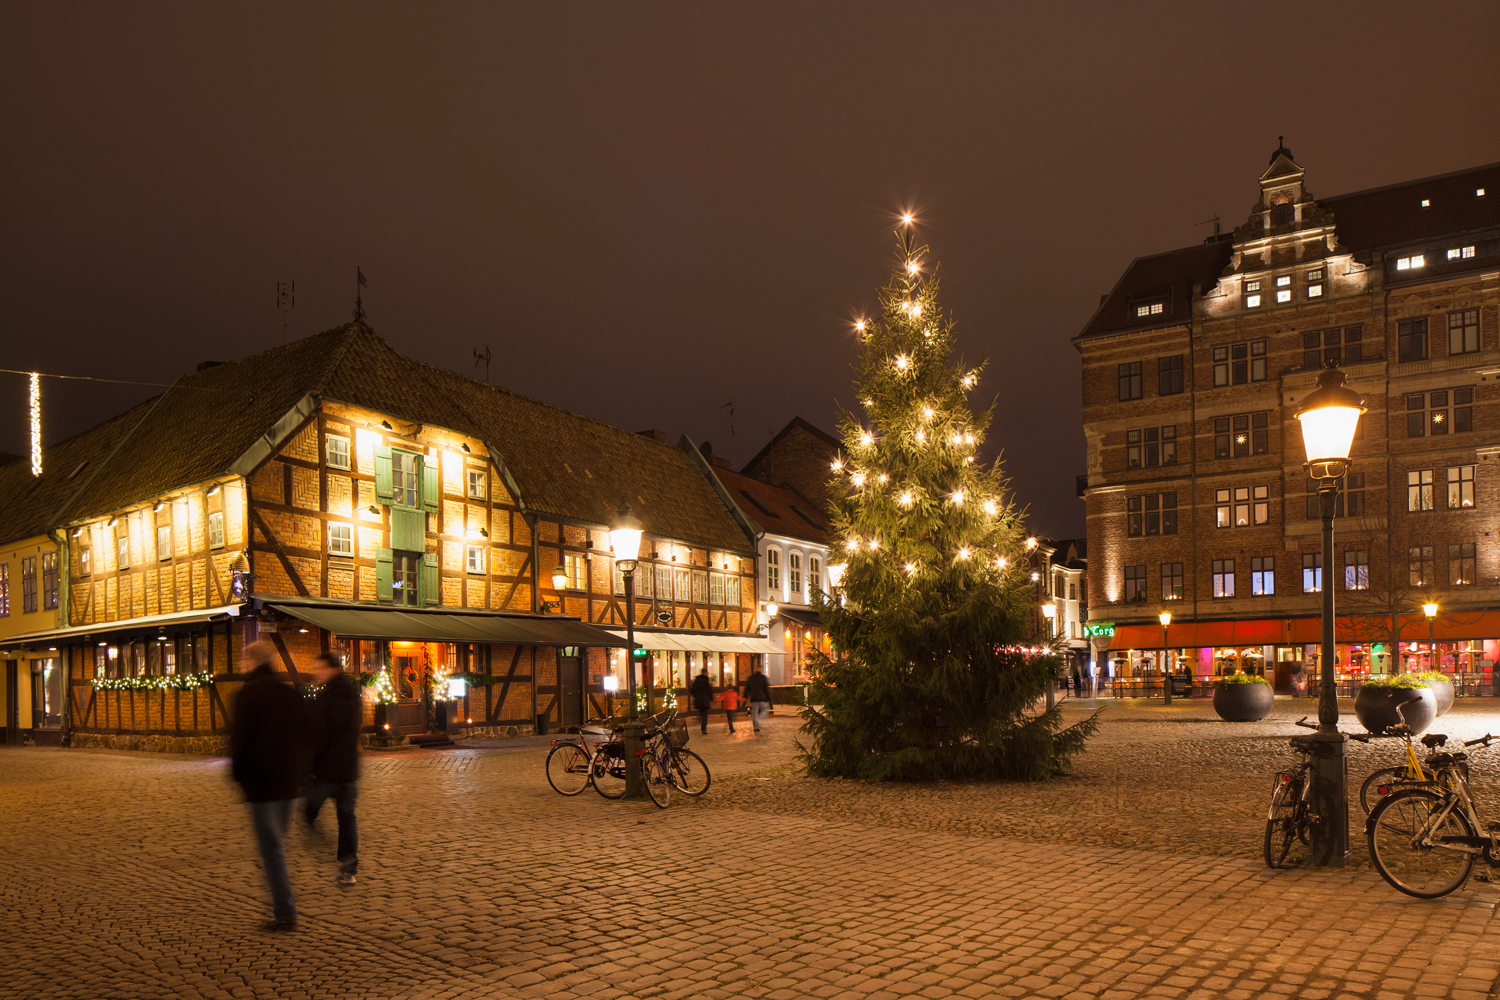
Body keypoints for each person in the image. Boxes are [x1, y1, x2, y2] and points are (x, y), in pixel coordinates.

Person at [230, 640, 308, 932]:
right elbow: (305, 736)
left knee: (272, 848)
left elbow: (239, 741)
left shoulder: (247, 695)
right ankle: (284, 909)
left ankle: (285, 913)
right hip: (288, 783)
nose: (241, 666)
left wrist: (240, 777)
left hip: (261, 785)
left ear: (251, 662)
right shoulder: (290, 693)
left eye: (243, 661)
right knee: (276, 844)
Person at [304, 651, 361, 887]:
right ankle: (349, 868)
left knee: (308, 811)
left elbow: (317, 736)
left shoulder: (327, 698)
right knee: (347, 819)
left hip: (327, 771)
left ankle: (322, 845)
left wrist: (309, 766)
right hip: (348, 769)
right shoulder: (353, 696)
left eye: (321, 668)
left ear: (334, 670)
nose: (317, 673)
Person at [746, 665, 771, 734]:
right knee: (765, 710)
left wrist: (745, 696)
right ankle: (759, 719)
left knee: (754, 712)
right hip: (761, 697)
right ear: (761, 670)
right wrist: (768, 697)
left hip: (754, 698)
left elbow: (747, 688)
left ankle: (756, 727)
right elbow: (766, 688)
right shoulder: (763, 678)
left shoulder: (751, 678)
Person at [690, 669, 714, 734]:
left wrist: (696, 696)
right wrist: (711, 698)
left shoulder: (697, 680)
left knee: (701, 711)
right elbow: (709, 690)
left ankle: (700, 718)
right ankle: (703, 729)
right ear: (705, 673)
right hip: (705, 700)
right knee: (705, 715)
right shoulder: (706, 680)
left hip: (698, 700)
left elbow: (692, 690)